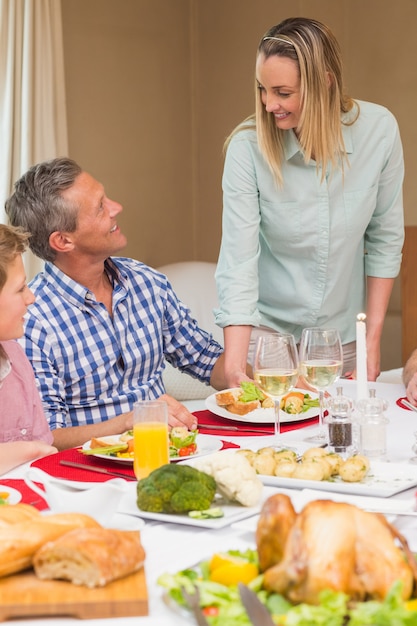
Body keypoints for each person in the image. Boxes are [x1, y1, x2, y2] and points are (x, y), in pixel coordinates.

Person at [215, 16, 404, 388]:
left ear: (325, 84)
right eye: (262, 90)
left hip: (341, 342)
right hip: (268, 341)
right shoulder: (246, 149)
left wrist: (372, 341)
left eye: (282, 93)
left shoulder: (379, 132)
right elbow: (238, 261)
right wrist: (235, 367)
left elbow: (384, 239)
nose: (269, 104)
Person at [5, 158, 227, 450]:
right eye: (100, 207)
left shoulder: (146, 281)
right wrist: (128, 422)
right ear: (63, 241)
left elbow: (205, 359)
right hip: (88, 473)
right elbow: (48, 438)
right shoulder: (31, 320)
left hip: (169, 454)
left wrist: (262, 375)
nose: (115, 208)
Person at [0, 224, 57, 474]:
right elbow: (38, 451)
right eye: (21, 288)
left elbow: (44, 450)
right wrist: (30, 450)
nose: (31, 297)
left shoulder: (15, 356)